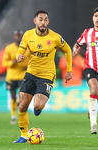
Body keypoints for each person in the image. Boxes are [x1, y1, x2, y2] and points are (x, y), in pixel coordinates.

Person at [13, 10, 72, 143]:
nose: (43, 22)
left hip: (47, 75)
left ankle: (39, 106)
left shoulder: (55, 37)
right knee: (22, 105)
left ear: (48, 22)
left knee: (38, 106)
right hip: (31, 73)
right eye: (40, 19)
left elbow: (68, 50)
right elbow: (20, 50)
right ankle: (23, 135)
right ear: (35, 21)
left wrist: (69, 70)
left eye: (45, 19)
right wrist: (19, 56)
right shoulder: (28, 35)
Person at [2, 30, 29, 124]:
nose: (18, 37)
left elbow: (32, 59)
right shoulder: (9, 48)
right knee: (13, 96)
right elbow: (4, 63)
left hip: (22, 75)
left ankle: (18, 104)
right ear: (14, 37)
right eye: (16, 36)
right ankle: (13, 116)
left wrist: (28, 65)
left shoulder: (26, 48)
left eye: (20, 35)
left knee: (21, 94)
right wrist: (11, 62)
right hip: (11, 76)